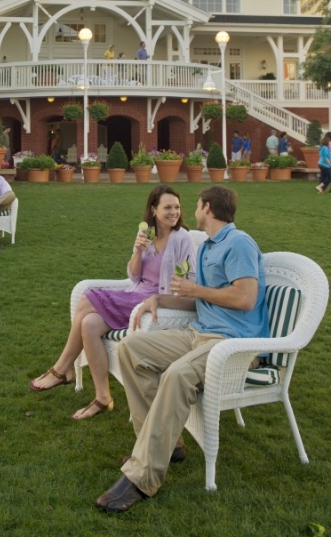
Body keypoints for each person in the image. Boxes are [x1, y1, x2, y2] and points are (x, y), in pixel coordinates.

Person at [95, 185, 269, 513]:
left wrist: (198, 289)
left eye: (196, 205)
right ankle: (167, 445)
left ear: (207, 207)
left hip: (232, 342)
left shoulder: (239, 243)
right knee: (132, 349)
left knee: (176, 375)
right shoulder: (207, 248)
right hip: (199, 333)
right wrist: (160, 299)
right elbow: (198, 297)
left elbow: (245, 298)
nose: (189, 210)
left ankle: (142, 475)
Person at [29, 185, 197, 420]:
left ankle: (61, 369)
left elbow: (187, 279)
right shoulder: (146, 234)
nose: (174, 212)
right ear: (154, 210)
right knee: (88, 324)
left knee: (88, 297)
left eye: (177, 207)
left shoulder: (182, 238)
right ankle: (102, 396)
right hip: (135, 293)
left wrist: (166, 298)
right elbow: (133, 276)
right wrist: (138, 251)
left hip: (154, 302)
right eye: (168, 207)